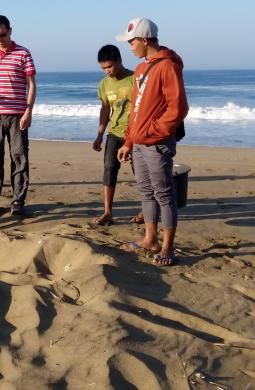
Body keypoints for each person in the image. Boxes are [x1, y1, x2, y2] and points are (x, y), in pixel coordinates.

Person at [115, 17, 188, 265]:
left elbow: (177, 108)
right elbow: (136, 110)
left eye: (132, 41)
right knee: (146, 192)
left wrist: (155, 131)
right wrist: (129, 141)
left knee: (164, 194)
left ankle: (168, 246)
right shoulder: (140, 69)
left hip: (157, 143)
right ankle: (150, 238)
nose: (130, 46)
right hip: (139, 143)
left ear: (145, 40)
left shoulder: (167, 66)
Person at [0, 14, 36, 218]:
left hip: (17, 113)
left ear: (10, 30)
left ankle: (18, 200)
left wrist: (28, 110)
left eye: (2, 34)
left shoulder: (23, 53)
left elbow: (31, 84)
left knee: (19, 157)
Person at [93, 44, 143, 226]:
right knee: (109, 169)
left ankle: (147, 210)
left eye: (110, 67)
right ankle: (108, 212)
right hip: (114, 132)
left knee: (141, 173)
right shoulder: (104, 84)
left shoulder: (134, 78)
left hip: (136, 133)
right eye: (103, 68)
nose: (107, 71)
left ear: (120, 61)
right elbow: (105, 109)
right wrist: (99, 135)